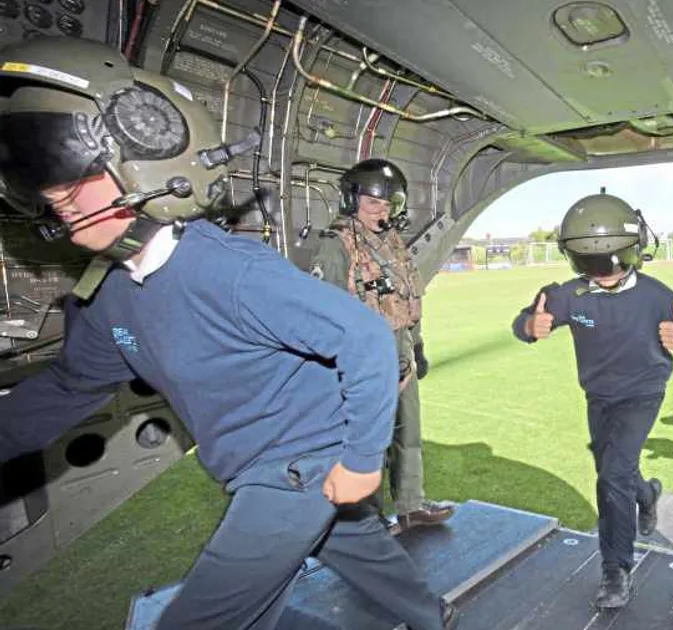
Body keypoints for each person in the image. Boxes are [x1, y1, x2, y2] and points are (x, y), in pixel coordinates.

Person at [0, 38, 455, 630]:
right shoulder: (111, 293)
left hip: (298, 464)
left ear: (147, 165)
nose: (54, 193)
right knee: (349, 542)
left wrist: (363, 459)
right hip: (255, 464)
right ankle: (431, 615)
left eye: (68, 171)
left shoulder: (232, 272)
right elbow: (71, 384)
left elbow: (364, 336)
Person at [511, 192, 673, 610]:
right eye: (589, 262)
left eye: (612, 261)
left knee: (611, 475)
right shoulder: (568, 295)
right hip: (598, 398)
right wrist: (530, 324)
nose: (602, 272)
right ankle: (647, 494)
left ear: (633, 250)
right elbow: (522, 322)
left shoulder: (658, 295)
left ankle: (615, 570)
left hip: (643, 394)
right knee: (615, 470)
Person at [310, 158, 454, 533]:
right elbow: (325, 312)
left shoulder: (393, 245)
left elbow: (408, 298)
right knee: (367, 439)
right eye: (374, 203)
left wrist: (416, 346)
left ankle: (410, 504)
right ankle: (365, 519)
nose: (382, 211)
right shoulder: (335, 246)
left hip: (401, 350)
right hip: (364, 357)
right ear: (351, 201)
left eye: (388, 205)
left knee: (408, 433)